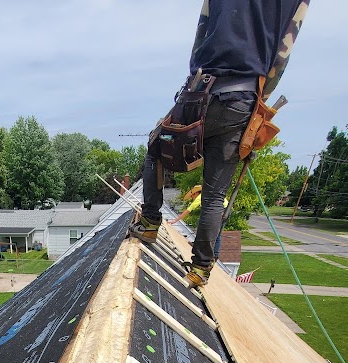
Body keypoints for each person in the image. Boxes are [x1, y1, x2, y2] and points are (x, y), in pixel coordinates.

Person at [130, 0, 310, 287]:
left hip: (203, 87)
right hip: (244, 100)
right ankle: (200, 268)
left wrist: (195, 74)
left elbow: (202, 29)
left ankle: (150, 222)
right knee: (215, 195)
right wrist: (258, 106)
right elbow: (283, 51)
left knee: (156, 149)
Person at [168, 185, 229, 260]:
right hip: (226, 211)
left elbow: (188, 210)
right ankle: (214, 254)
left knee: (204, 225)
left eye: (192, 196)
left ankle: (209, 251)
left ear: (196, 193)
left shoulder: (201, 196)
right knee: (216, 233)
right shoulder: (208, 194)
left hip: (219, 212)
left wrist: (175, 220)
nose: (192, 198)